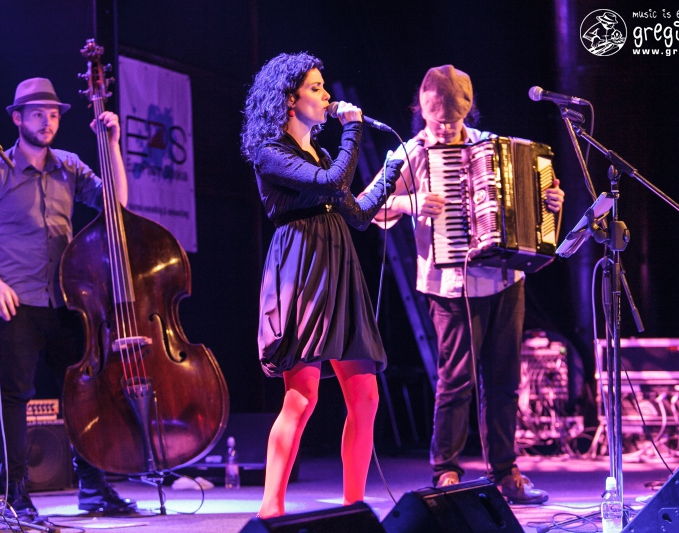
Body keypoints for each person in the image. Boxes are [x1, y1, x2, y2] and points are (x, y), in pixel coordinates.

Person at [369, 65, 565, 504]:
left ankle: (506, 472)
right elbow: (370, 206)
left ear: (467, 112)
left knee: (504, 381)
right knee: (456, 381)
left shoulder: (491, 146)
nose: (444, 129)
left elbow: (537, 197)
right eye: (437, 121)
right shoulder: (410, 153)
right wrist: (410, 202)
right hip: (449, 284)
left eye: (453, 120)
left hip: (504, 279)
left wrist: (551, 199)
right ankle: (446, 471)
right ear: (422, 112)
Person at [0, 78, 137, 519]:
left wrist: (111, 145)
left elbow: (116, 205)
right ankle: (15, 493)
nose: (47, 121)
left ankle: (93, 486)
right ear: (17, 118)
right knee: (14, 398)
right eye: (38, 113)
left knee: (85, 391)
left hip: (66, 301)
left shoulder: (70, 166)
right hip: (15, 301)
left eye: (53, 114)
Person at [240, 52, 403, 518]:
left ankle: (354, 509)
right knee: (302, 395)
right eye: (316, 87)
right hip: (302, 269)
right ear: (289, 99)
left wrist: (390, 171)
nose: (328, 95)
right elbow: (332, 184)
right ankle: (270, 511)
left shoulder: (322, 155)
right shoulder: (270, 151)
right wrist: (352, 129)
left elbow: (358, 215)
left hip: (339, 269)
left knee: (366, 397)